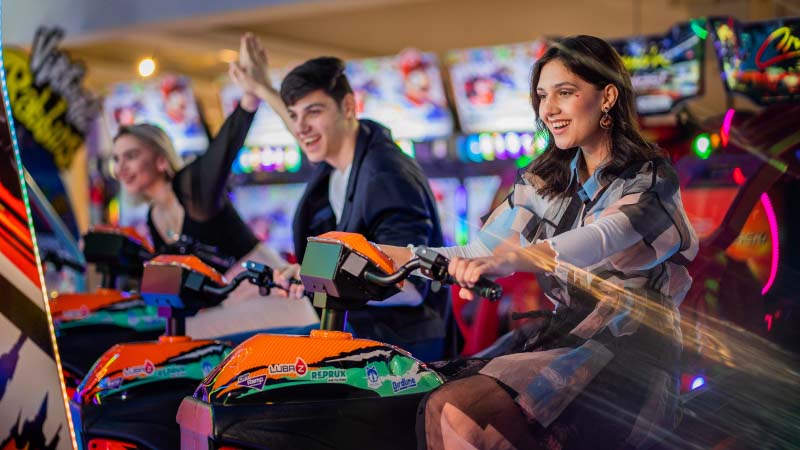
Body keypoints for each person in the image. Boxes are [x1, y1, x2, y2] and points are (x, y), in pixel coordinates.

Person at [383, 35, 698, 449]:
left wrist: (516, 257)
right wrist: (381, 254)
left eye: (565, 93)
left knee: (458, 406)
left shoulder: (650, 178)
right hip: (565, 339)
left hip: (629, 352)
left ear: (607, 97)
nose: (548, 110)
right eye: (542, 96)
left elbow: (603, 237)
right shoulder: (545, 181)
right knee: (437, 406)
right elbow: (477, 252)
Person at [229, 37, 449, 361]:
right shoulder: (339, 157)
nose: (301, 127)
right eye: (294, 114)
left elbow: (411, 285)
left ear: (348, 106)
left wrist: (312, 277)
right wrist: (261, 88)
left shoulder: (386, 175)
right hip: (359, 326)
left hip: (402, 343)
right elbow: (304, 129)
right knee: (245, 350)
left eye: (313, 111)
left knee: (254, 362)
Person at [111, 34, 318, 336]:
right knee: (165, 333)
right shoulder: (153, 218)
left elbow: (224, 148)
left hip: (275, 298)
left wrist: (249, 98)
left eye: (131, 156)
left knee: (174, 338)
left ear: (160, 160)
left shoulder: (191, 187)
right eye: (117, 159)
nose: (121, 168)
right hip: (233, 306)